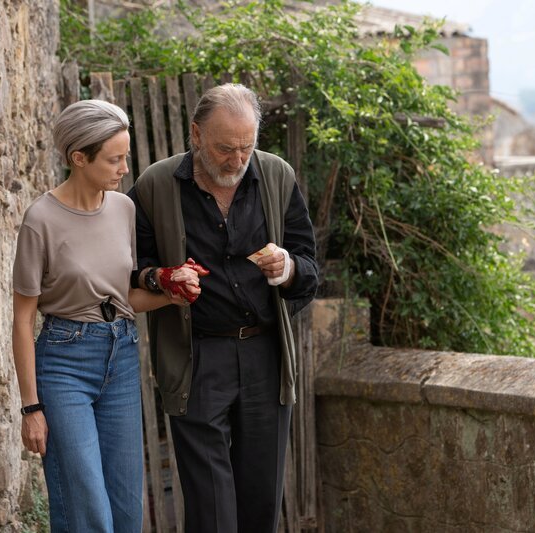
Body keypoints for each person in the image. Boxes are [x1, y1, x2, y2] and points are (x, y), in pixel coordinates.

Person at [128, 83, 319, 533]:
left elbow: (309, 269)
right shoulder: (155, 185)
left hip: (265, 357)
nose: (236, 160)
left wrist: (288, 267)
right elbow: (130, 270)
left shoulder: (277, 176)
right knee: (210, 510)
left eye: (246, 148)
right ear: (196, 134)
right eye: (225, 148)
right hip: (196, 358)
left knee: (260, 504)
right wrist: (163, 278)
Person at [11, 99, 203, 532]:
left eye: (126, 157)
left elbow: (122, 297)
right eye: (114, 159)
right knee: (88, 508)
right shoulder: (40, 220)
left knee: (127, 508)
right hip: (63, 365)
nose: (124, 169)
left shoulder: (123, 209)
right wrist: (30, 407)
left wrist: (173, 294)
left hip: (122, 358)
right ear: (79, 157)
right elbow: (22, 319)